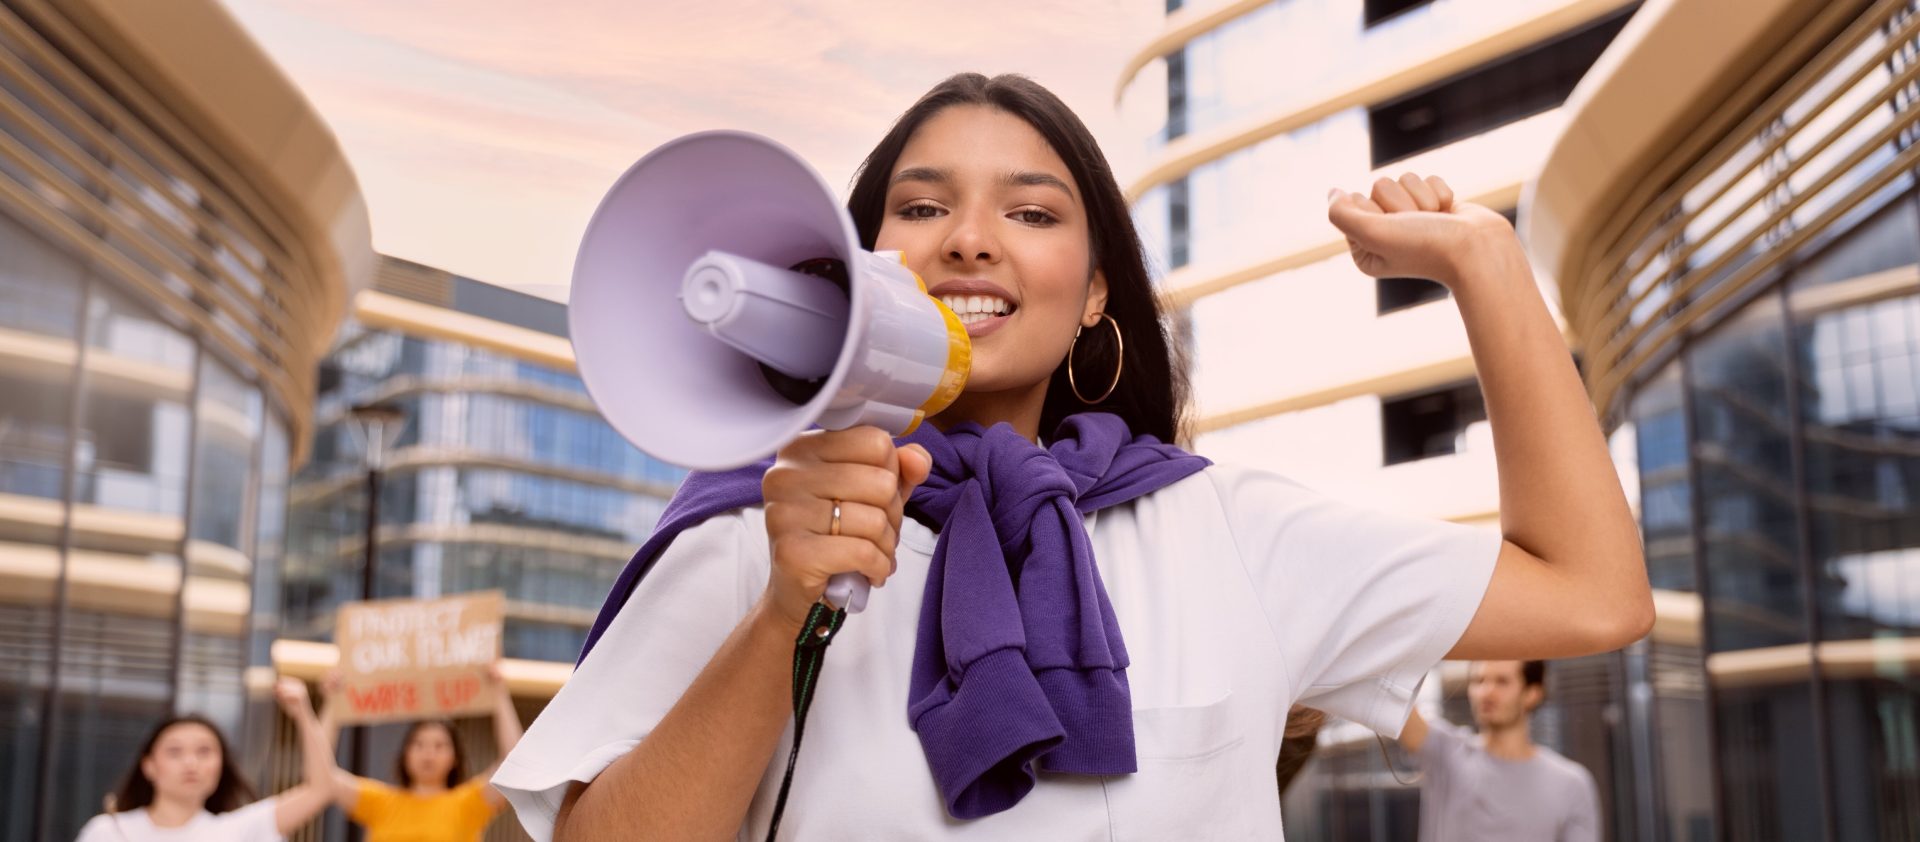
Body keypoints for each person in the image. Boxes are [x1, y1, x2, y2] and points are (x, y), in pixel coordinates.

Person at [493, 72, 1655, 840]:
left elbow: (1593, 590)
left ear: (1098, 293)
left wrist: (1487, 264)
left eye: (1034, 213)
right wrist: (781, 610)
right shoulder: (752, 538)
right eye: (920, 207)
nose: (968, 239)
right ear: (857, 266)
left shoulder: (1232, 532)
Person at [75, 678, 338, 841]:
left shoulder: (236, 831)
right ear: (149, 766)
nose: (191, 763)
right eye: (175, 751)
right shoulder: (110, 832)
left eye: (204, 752)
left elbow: (320, 789)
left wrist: (303, 713)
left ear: (221, 766)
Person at [308, 663, 524, 842]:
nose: (428, 754)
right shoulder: (380, 802)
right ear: (405, 754)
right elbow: (321, 776)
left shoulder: (468, 803)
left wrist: (499, 696)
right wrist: (332, 705)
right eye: (419, 744)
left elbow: (513, 764)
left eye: (439, 746)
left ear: (455, 758)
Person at [1400, 660, 1601, 842]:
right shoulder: (1446, 752)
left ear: (1532, 693)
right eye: (1479, 681)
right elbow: (1392, 704)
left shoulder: (1571, 784)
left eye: (1502, 682)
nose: (1486, 692)